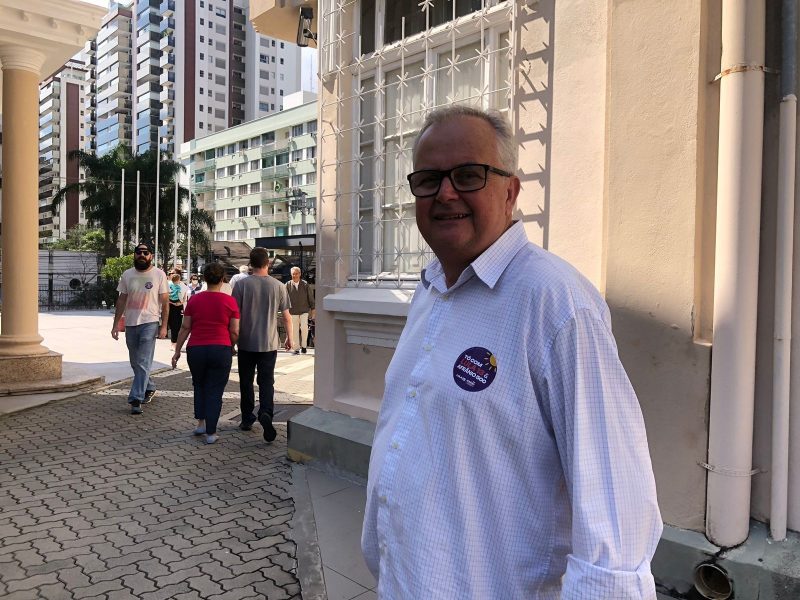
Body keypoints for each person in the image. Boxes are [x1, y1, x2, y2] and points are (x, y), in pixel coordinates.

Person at [361, 106, 663, 599]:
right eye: (429, 179)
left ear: (511, 190)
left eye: (468, 175)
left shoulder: (557, 304)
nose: (446, 193)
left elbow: (615, 511)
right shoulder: (430, 291)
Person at [171, 262, 240, 444]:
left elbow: (185, 328)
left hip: (197, 349)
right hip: (220, 348)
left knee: (199, 385)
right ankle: (211, 432)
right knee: (215, 390)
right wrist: (231, 346)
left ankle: (201, 423)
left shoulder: (194, 300)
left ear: (204, 279)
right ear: (222, 278)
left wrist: (177, 351)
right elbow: (235, 331)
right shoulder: (230, 301)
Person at [232, 247, 292, 442]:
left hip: (246, 342)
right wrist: (290, 338)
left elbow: (235, 316)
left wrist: (233, 338)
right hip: (269, 342)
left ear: (251, 263)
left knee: (246, 381)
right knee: (267, 382)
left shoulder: (241, 285)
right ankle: (266, 412)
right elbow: (287, 317)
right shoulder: (279, 286)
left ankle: (247, 417)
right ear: (268, 263)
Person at [111, 242, 169, 415]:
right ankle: (149, 386)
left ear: (151, 256)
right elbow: (121, 300)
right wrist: (115, 324)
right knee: (136, 362)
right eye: (139, 252)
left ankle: (136, 398)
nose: (142, 255)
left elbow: (165, 303)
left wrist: (164, 326)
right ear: (134, 255)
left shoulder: (159, 275)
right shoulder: (127, 274)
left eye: (146, 252)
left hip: (150, 322)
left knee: (143, 361)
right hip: (130, 323)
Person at [285, 266, 315, 355]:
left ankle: (304, 346)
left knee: (304, 328)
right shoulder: (287, 285)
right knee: (294, 330)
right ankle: (296, 348)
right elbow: (285, 299)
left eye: (296, 274)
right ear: (291, 274)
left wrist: (313, 310)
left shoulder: (305, 284)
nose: (295, 275)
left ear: (300, 274)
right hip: (292, 311)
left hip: (304, 310)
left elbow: (310, 298)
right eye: (293, 274)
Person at [167, 273, 188, 350]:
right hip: (170, 306)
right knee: (172, 324)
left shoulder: (183, 286)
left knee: (178, 325)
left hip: (179, 306)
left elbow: (185, 298)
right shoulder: (168, 284)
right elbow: (165, 295)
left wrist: (180, 303)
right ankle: (173, 342)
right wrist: (171, 302)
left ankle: (176, 343)